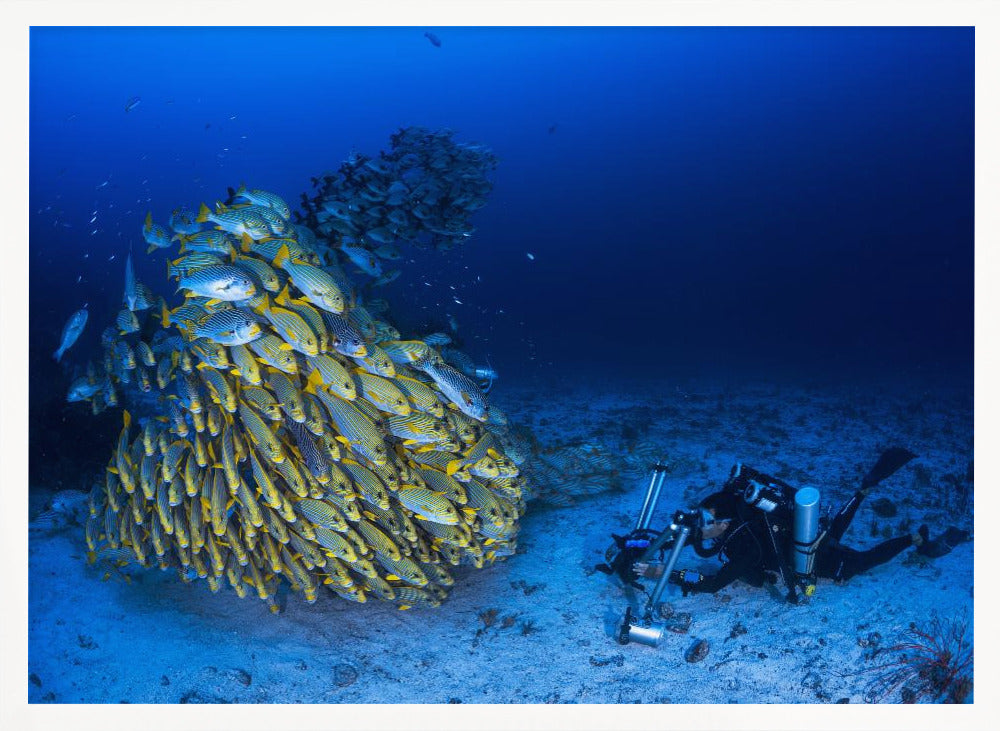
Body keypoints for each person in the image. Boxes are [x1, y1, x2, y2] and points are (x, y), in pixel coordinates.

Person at [633, 449, 971, 604]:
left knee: (861, 562)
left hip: (813, 559)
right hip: (804, 537)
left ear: (722, 522)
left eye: (706, 522)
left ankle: (915, 538)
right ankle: (862, 490)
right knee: (831, 531)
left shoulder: (745, 545)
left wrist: (659, 573)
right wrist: (655, 546)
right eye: (700, 519)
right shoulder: (736, 518)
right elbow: (690, 533)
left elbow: (708, 584)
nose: (700, 528)